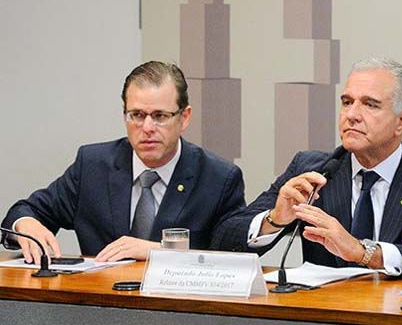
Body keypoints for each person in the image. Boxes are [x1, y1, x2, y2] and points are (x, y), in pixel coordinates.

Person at [211, 57, 402, 278]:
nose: (352, 115)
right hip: (327, 319)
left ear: (401, 121)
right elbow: (222, 242)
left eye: (370, 105)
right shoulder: (312, 170)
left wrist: (366, 253)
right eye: (347, 102)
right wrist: (275, 218)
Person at [2, 61, 246, 263]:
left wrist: (160, 252)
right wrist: (27, 225)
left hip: (180, 305)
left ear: (184, 118)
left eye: (160, 116)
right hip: (100, 302)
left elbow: (234, 259)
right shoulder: (92, 166)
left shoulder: (218, 179)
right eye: (137, 115)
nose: (147, 127)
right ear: (124, 115)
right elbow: (23, 212)